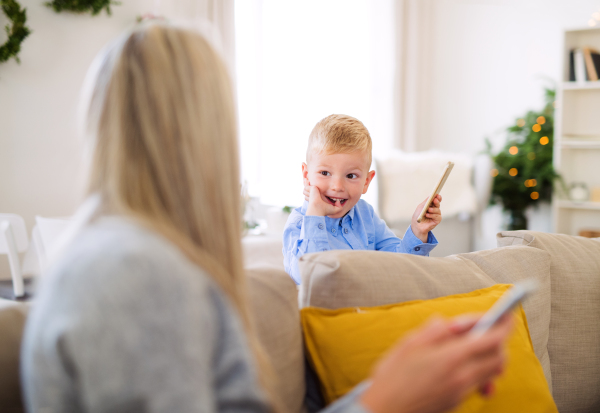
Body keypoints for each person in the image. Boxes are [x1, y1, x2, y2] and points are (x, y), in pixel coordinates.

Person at [21, 23, 513, 413]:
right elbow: (314, 266)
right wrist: (387, 399)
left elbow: (395, 261)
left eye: (350, 176)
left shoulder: (147, 258)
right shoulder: (134, 274)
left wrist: (417, 238)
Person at [282, 115, 442, 284]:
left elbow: (400, 266)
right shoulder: (298, 224)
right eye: (325, 173)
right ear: (307, 176)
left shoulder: (365, 214)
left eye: (351, 175)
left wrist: (418, 231)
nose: (337, 186)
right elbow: (309, 276)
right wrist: (315, 213)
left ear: (366, 182)